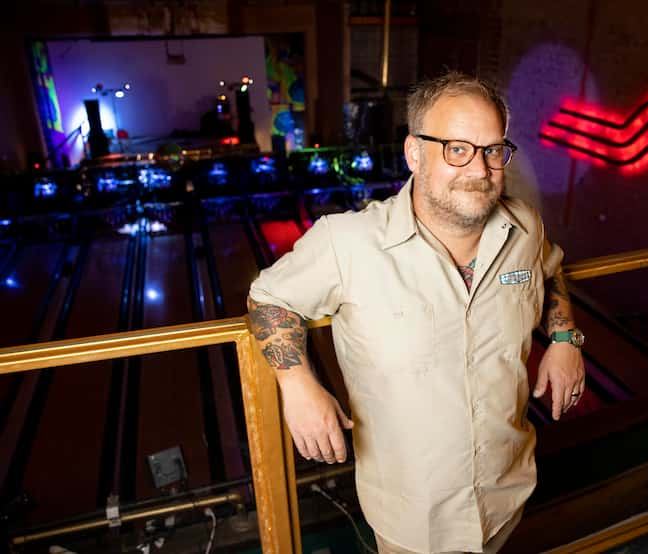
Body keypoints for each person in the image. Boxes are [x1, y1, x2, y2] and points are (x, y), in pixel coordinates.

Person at [248, 71, 586, 554]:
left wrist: (564, 338)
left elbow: (550, 271)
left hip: (508, 494)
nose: (480, 168)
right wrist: (297, 385)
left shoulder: (525, 226)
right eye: (456, 149)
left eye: (492, 150)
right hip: (413, 522)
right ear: (413, 154)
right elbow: (268, 297)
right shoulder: (348, 243)